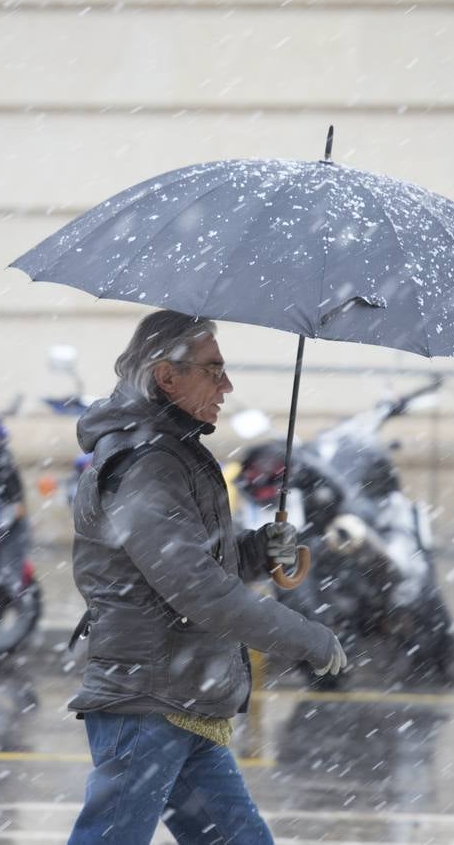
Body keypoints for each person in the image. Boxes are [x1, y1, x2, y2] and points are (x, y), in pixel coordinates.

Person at [66, 310, 347, 844]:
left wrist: (259, 551)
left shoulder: (174, 453)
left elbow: (191, 566)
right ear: (166, 377)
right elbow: (199, 591)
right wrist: (305, 637)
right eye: (213, 369)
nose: (227, 385)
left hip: (184, 697)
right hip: (148, 700)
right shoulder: (146, 463)